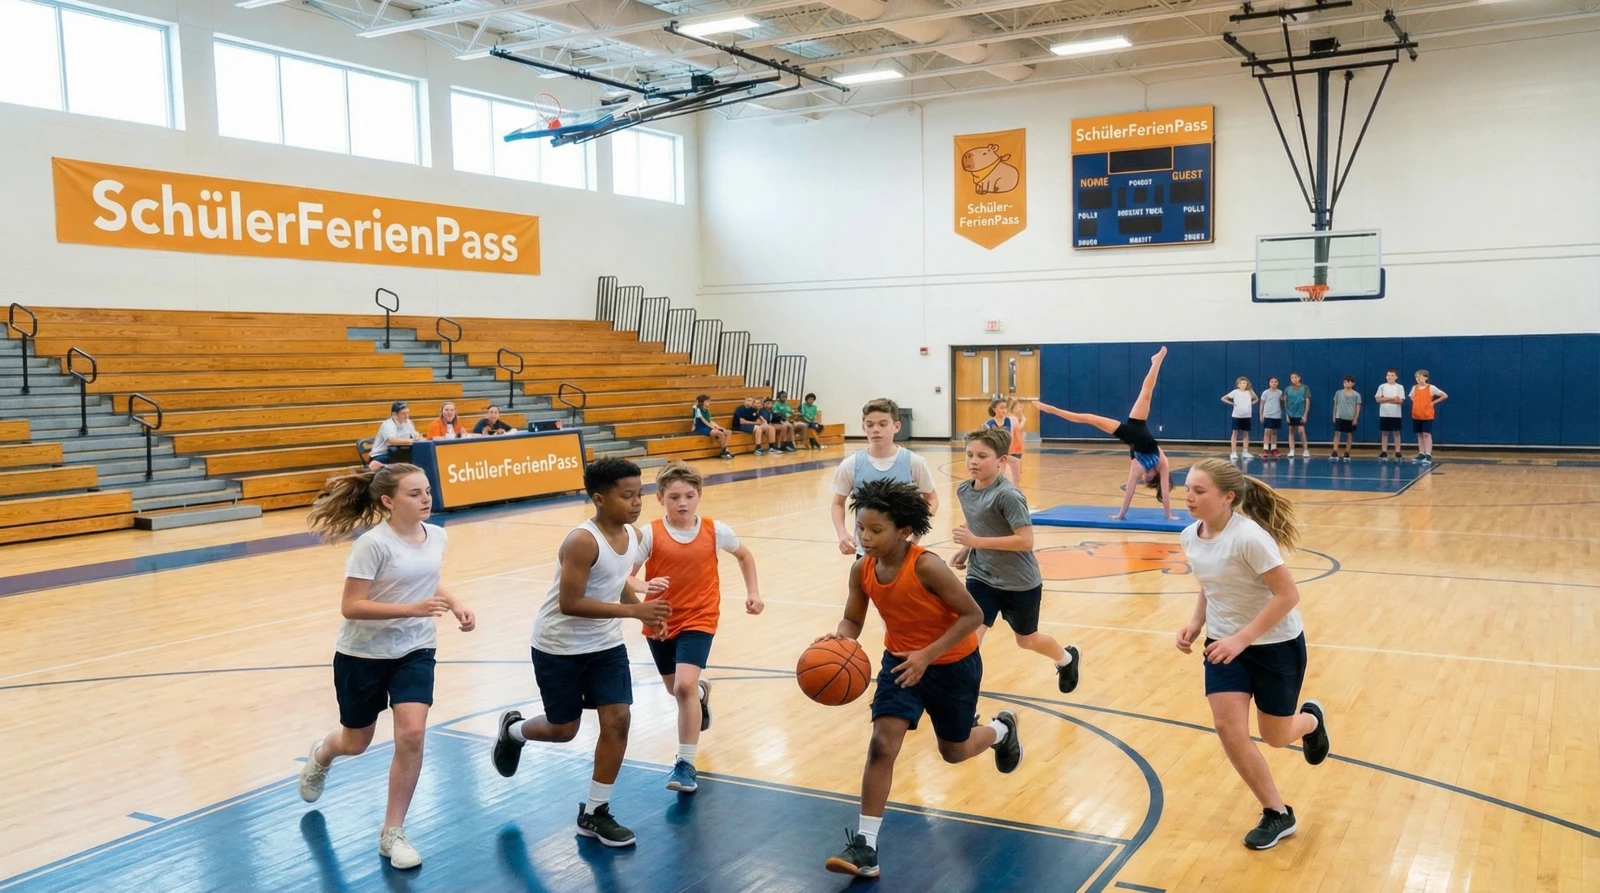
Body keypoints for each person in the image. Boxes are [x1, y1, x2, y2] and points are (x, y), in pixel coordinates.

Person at [819, 479, 1022, 879]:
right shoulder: (862, 568)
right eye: (861, 527)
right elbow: (853, 619)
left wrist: (927, 656)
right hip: (899, 665)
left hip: (952, 666)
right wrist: (840, 638)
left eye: (876, 530)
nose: (866, 536)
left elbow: (973, 616)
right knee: (881, 745)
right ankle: (866, 847)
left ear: (904, 531)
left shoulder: (927, 566)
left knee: (954, 752)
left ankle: (1001, 730)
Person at [296, 463, 477, 870]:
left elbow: (426, 579)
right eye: (414, 494)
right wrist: (411, 608)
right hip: (363, 655)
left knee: (412, 733)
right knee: (355, 743)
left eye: (427, 491)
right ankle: (323, 754)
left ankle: (392, 832)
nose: (426, 498)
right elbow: (352, 606)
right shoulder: (372, 545)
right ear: (388, 501)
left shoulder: (438, 536)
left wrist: (456, 602)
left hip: (415, 650)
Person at [491, 458, 673, 848]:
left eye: (638, 493)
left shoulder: (632, 535)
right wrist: (635, 609)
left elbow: (616, 579)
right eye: (626, 496)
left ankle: (594, 811)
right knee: (564, 730)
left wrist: (643, 612)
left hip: (605, 645)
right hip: (559, 647)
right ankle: (513, 731)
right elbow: (570, 602)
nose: (636, 502)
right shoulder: (582, 540)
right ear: (599, 499)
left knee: (618, 720)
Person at [1175, 458, 1330, 850]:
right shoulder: (1189, 537)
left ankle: (1310, 721)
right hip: (1225, 646)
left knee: (1275, 737)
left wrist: (1242, 638)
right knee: (1229, 728)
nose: (1188, 497)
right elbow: (1211, 584)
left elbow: (1288, 596)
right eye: (1188, 489)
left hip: (1275, 646)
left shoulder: (1250, 538)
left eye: (1198, 490)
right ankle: (1277, 812)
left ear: (1227, 497)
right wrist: (1196, 623)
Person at [629, 461, 763, 793]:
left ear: (699, 495)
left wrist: (753, 592)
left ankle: (685, 763)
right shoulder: (649, 534)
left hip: (700, 618)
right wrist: (641, 588)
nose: (683, 503)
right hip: (659, 619)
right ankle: (702, 693)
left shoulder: (716, 530)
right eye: (674, 497)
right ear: (660, 499)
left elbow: (744, 556)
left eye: (689, 495)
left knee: (683, 688)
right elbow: (627, 576)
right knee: (677, 690)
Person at [952, 427, 1079, 692]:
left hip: (1019, 583)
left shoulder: (1008, 495)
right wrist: (967, 550)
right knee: (971, 637)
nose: (973, 461)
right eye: (969, 454)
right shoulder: (965, 490)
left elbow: (1025, 541)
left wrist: (975, 542)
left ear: (1001, 461)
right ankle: (962, 695)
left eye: (982, 456)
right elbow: (978, 519)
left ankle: (1066, 659)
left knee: (1027, 641)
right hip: (981, 577)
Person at [1035, 346, 1175, 521]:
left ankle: (1052, 410)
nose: (1144, 477)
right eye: (1148, 478)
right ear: (1155, 475)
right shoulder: (1162, 462)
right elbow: (1163, 488)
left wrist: (1121, 514)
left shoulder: (1138, 466)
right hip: (1137, 425)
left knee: (1087, 418)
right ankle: (1157, 360)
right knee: (1146, 392)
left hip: (1129, 432)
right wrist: (1168, 515)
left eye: (1144, 479)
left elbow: (1130, 489)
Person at [830, 398, 938, 557]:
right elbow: (838, 503)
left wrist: (916, 532)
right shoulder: (851, 464)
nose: (875, 430)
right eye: (870, 424)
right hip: (866, 551)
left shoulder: (914, 462)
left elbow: (931, 499)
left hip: (902, 551)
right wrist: (842, 533)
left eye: (882, 424)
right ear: (863, 427)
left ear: (896, 426)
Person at [1409, 370, 1448, 464]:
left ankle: (1428, 454)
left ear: (1426, 378)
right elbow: (1411, 396)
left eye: (1421, 377)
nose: (1418, 379)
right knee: (1419, 434)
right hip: (1416, 414)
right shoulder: (1414, 388)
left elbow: (1444, 396)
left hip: (1427, 415)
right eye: (1417, 377)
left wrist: (1433, 402)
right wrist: (1417, 404)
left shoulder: (1431, 388)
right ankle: (1421, 453)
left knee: (1426, 434)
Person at [370, 401, 420, 469]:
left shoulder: (408, 422)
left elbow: (416, 436)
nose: (406, 416)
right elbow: (391, 440)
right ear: (394, 414)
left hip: (398, 453)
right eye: (403, 414)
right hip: (381, 455)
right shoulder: (387, 424)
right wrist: (412, 440)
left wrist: (418, 438)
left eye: (408, 413)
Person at [1223, 377, 1258, 461]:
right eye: (1241, 383)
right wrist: (1232, 403)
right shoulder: (1235, 392)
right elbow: (1223, 398)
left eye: (1245, 383)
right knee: (1235, 433)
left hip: (1246, 415)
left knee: (1246, 434)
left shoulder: (1250, 392)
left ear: (1247, 384)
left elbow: (1256, 399)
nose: (1243, 385)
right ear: (1238, 385)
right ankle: (1233, 452)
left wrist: (1250, 404)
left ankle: (1245, 451)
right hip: (1237, 415)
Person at [1375, 370, 1406, 462]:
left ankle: (1398, 452)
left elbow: (1400, 401)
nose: (1390, 377)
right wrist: (1392, 398)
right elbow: (1378, 399)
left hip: (1396, 414)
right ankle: (1384, 451)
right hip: (1384, 413)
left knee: (1396, 432)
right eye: (1388, 375)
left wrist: (1385, 399)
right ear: (1386, 376)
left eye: (1392, 375)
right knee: (1384, 432)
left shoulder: (1400, 387)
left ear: (1396, 377)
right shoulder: (1382, 386)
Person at [692, 394, 735, 459]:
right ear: (704, 402)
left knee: (728, 432)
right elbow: (704, 421)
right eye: (708, 401)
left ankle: (724, 451)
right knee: (720, 434)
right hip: (700, 428)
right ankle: (724, 452)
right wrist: (713, 428)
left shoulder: (706, 410)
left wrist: (719, 427)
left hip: (708, 427)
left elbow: (709, 421)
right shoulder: (697, 409)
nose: (709, 402)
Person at [1331, 376, 1361, 463]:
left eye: (1349, 382)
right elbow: (1335, 405)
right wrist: (1334, 416)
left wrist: (1355, 418)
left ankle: (1347, 452)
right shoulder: (1338, 393)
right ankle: (1335, 451)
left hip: (1350, 417)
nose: (1347, 383)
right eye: (1345, 382)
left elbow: (1358, 407)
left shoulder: (1356, 395)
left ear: (1353, 383)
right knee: (1337, 434)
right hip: (1339, 416)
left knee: (1349, 434)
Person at [1284, 373, 1311, 458]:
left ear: (1299, 378)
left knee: (1301, 431)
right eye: (1292, 377)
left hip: (1300, 413)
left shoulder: (1305, 388)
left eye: (1295, 377)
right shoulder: (1287, 389)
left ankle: (1306, 450)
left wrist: (1305, 414)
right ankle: (1292, 450)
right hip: (1290, 413)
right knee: (1291, 431)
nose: (1294, 379)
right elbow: (1285, 402)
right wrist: (1287, 414)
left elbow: (1307, 401)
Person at [1259, 378, 1284, 459]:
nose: (1274, 383)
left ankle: (1274, 449)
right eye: (1272, 382)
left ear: (1278, 383)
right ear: (1269, 383)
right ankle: (1265, 449)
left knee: (1274, 432)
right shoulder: (1265, 393)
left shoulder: (1280, 393)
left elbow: (1282, 404)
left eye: (1275, 382)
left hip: (1276, 415)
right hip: (1267, 414)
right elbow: (1262, 404)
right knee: (1267, 432)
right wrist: (1261, 415)